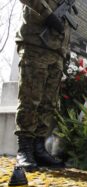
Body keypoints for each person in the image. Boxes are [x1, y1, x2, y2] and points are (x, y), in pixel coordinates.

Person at [14, 0, 77, 171]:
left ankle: (39, 148)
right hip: (35, 44)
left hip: (57, 52)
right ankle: (24, 149)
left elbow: (65, 25)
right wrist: (47, 14)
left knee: (48, 103)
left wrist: (66, 50)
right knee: (30, 98)